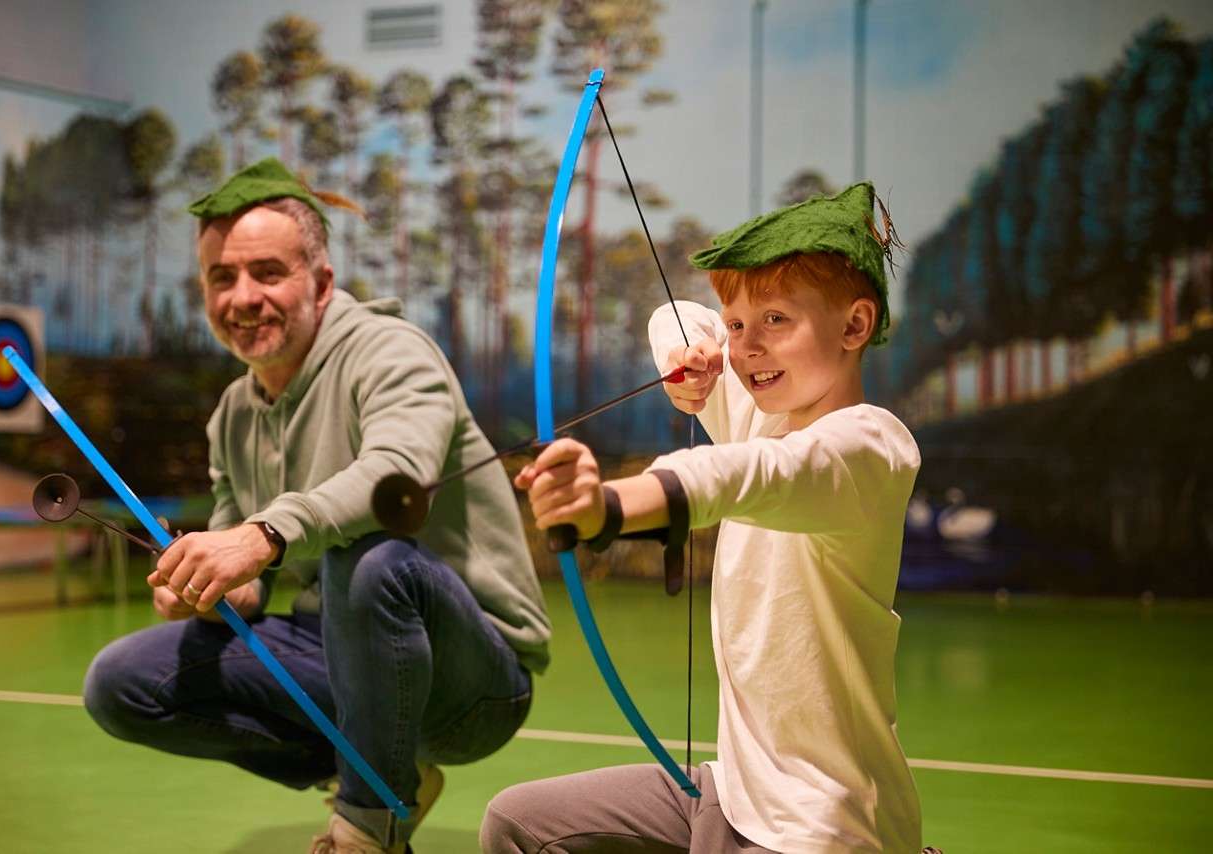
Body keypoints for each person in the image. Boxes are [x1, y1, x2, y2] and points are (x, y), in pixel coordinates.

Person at [81, 158, 550, 854]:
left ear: (322, 283)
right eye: (222, 277)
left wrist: (264, 533)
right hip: (339, 658)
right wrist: (215, 587)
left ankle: (367, 825)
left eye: (267, 272)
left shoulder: (394, 353)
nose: (243, 297)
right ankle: (388, 772)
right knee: (121, 683)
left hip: (472, 686)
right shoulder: (232, 415)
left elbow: (398, 477)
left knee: (370, 557)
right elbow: (250, 579)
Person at [481, 183, 929, 852]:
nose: (747, 347)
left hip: (822, 824)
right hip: (730, 791)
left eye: (776, 320)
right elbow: (675, 316)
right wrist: (688, 358)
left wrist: (606, 506)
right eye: (738, 325)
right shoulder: (758, 415)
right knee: (518, 824)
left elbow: (742, 476)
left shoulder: (870, 445)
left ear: (855, 326)